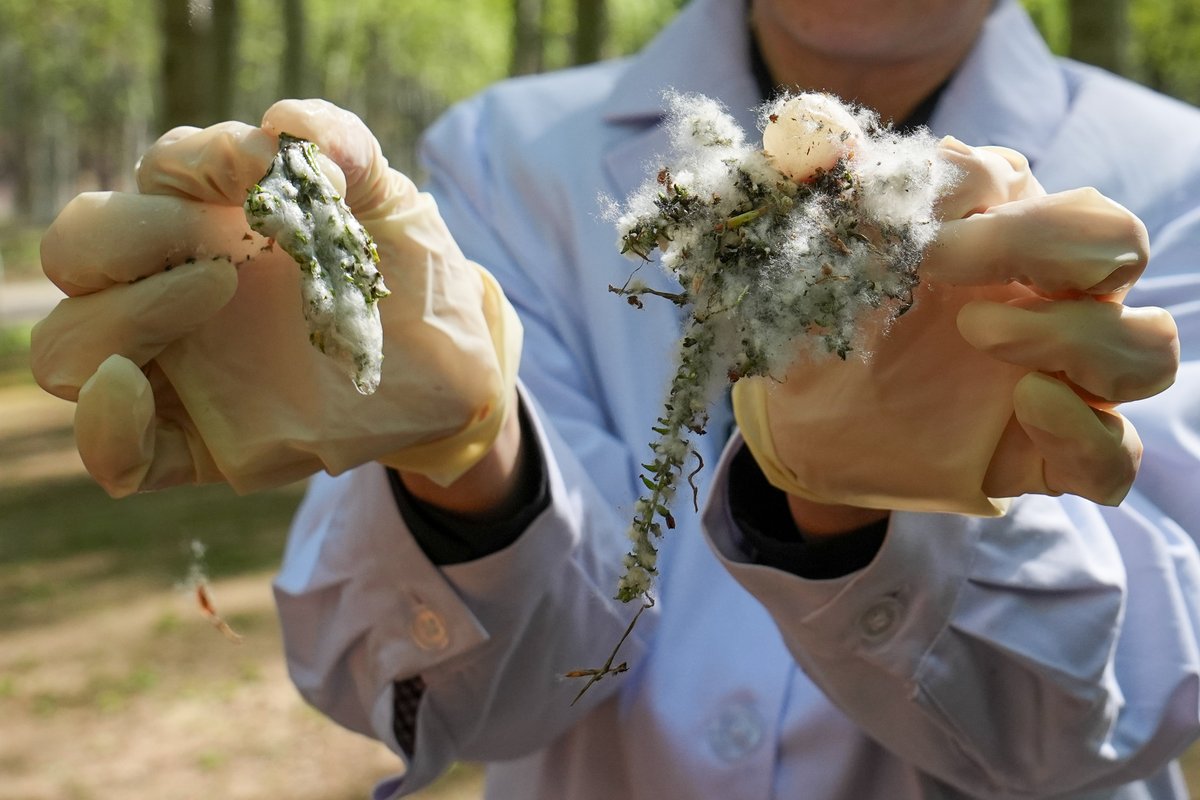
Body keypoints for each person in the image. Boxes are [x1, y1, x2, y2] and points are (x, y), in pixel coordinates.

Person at [29, 0, 1200, 796]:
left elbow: (1133, 692)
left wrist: (868, 507)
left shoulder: (1176, 172)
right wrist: (465, 464)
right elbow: (465, 698)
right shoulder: (507, 153)